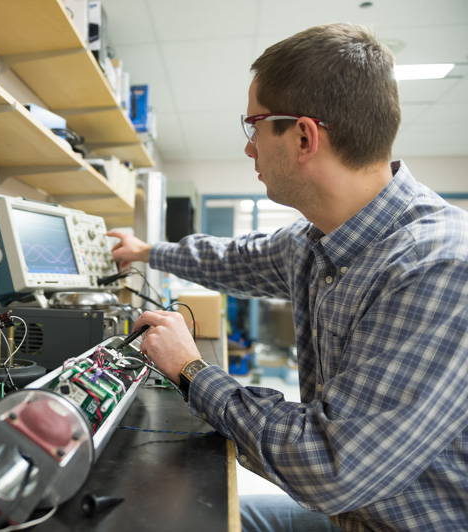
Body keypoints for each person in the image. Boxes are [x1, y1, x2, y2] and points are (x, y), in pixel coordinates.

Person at [108, 23, 468, 532]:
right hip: (349, 514)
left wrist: (191, 371)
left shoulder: (438, 266)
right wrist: (146, 250)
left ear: (303, 136)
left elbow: (331, 466)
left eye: (253, 125)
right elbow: (232, 258)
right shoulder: (317, 239)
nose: (250, 147)